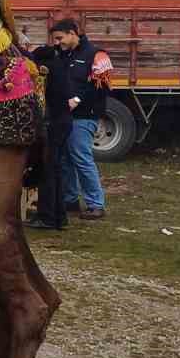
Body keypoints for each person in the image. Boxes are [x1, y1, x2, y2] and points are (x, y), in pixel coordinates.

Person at [28, 17, 112, 223]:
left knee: (80, 157)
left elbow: (104, 85)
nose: (57, 42)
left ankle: (95, 204)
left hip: (84, 116)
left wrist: (78, 99)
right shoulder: (62, 55)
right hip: (63, 117)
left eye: (60, 38)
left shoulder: (97, 54)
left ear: (73, 33)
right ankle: (69, 199)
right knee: (64, 160)